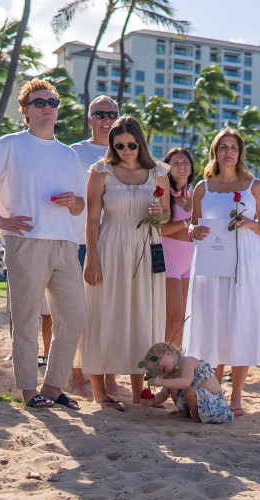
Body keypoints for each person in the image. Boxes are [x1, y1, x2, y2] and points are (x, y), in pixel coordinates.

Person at [0, 79, 86, 409]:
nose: (47, 107)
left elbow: (80, 206)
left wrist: (73, 201)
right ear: (25, 111)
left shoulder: (69, 154)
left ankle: (53, 386)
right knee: (27, 319)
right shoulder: (9, 144)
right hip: (25, 242)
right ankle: (29, 390)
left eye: (52, 102)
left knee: (74, 318)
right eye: (39, 102)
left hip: (65, 244)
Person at [82, 116, 169, 410]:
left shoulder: (158, 172)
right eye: (119, 146)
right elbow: (92, 219)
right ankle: (99, 392)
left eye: (131, 145)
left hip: (146, 249)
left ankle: (137, 392)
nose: (126, 150)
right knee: (103, 313)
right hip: (110, 248)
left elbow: (166, 216)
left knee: (142, 314)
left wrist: (159, 214)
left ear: (140, 143)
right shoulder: (101, 171)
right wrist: (91, 260)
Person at [186, 128, 260, 417]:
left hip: (243, 263)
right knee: (213, 323)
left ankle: (236, 397)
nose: (228, 152)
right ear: (215, 152)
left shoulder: (254, 186)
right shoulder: (202, 187)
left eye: (233, 147)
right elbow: (193, 225)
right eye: (223, 147)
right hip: (210, 264)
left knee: (239, 321)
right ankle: (216, 392)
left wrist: (250, 224)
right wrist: (192, 230)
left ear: (240, 152)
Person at [68, 96, 127, 398]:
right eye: (100, 114)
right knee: (77, 313)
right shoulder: (73, 152)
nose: (106, 119)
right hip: (78, 241)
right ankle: (76, 377)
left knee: (109, 314)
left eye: (112, 114)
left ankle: (109, 378)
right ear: (89, 118)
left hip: (114, 242)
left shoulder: (126, 151)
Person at [138, 342, 233, 424]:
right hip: (204, 407)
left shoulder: (188, 361)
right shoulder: (171, 375)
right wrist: (153, 401)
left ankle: (196, 418)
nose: (159, 370)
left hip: (215, 406)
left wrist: (162, 381)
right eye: (156, 370)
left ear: (164, 351)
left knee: (188, 389)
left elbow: (186, 382)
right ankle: (183, 413)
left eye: (157, 364)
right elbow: (164, 394)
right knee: (172, 385)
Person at [161, 148, 195, 347]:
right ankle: (163, 360)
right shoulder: (163, 194)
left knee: (184, 320)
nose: (181, 166)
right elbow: (160, 230)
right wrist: (187, 222)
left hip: (191, 262)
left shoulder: (197, 194)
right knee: (173, 318)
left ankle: (176, 361)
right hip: (169, 261)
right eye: (175, 163)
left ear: (191, 167)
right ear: (168, 168)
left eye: (185, 162)